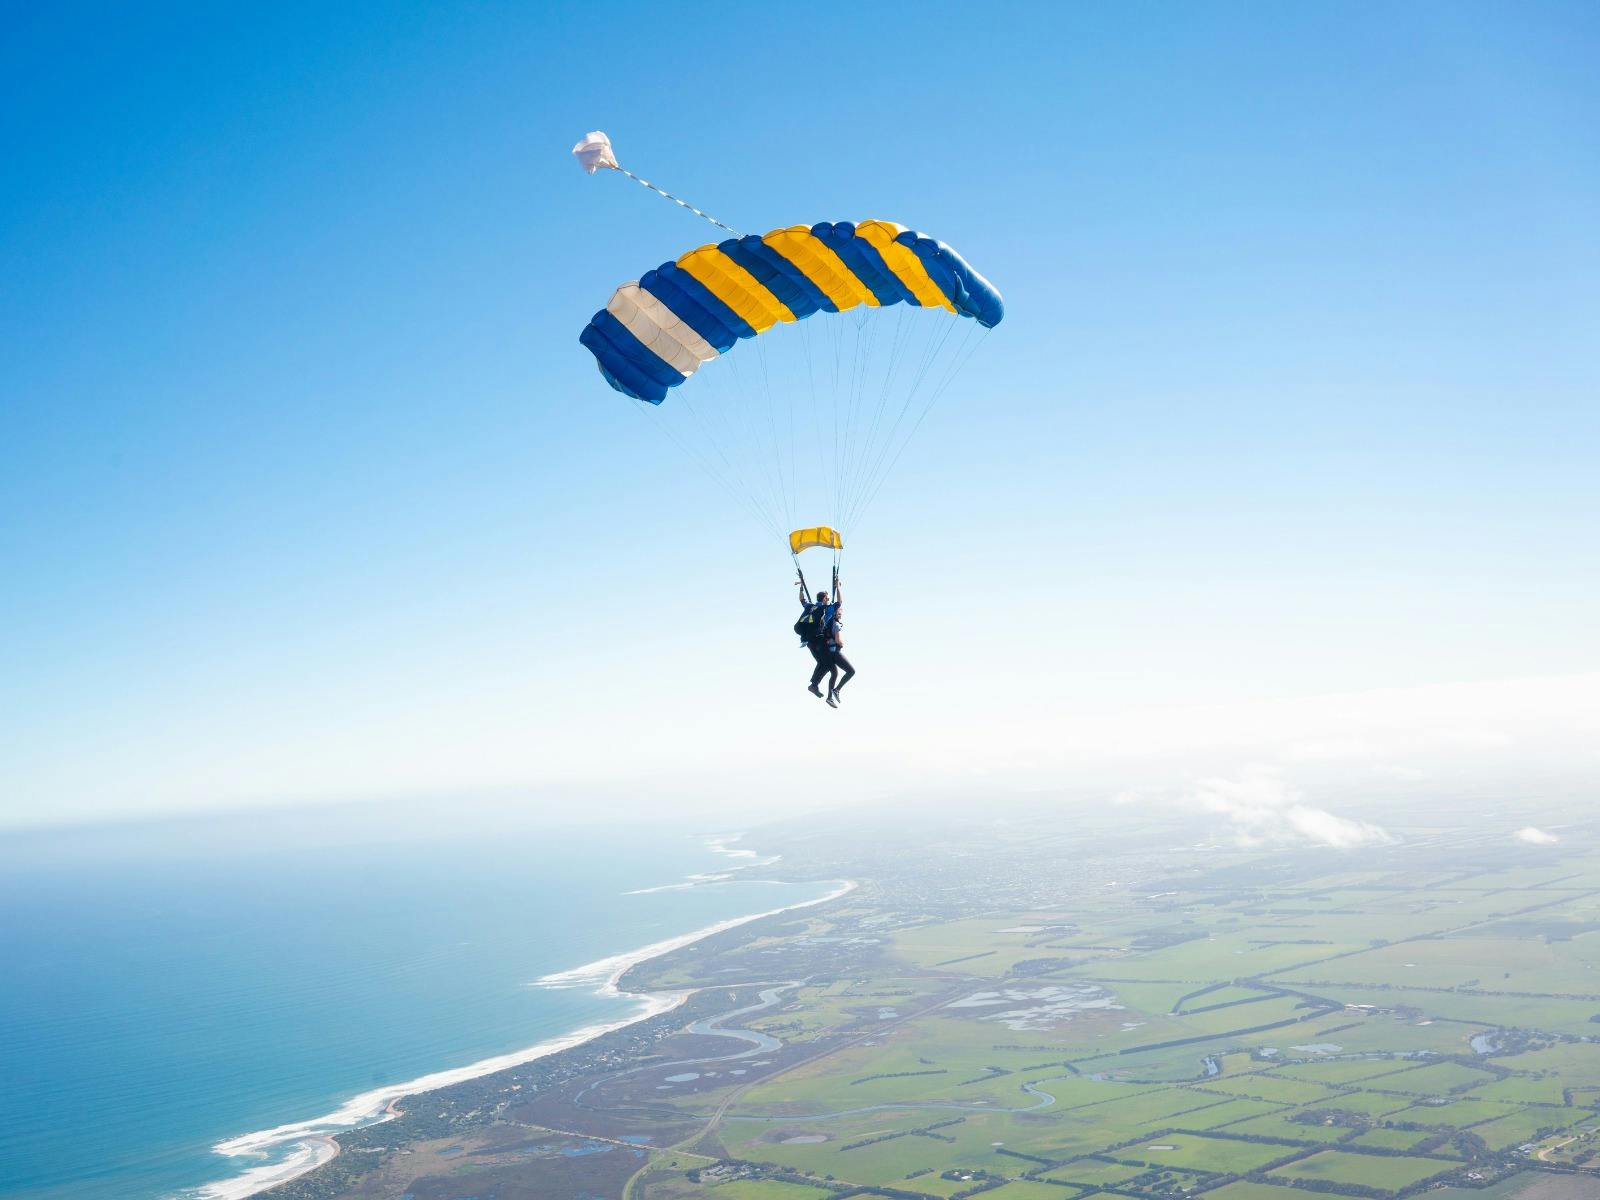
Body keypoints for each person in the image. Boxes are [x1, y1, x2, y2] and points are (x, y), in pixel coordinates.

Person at [796, 582, 854, 707]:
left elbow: (802, 600)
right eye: (827, 598)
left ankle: (814, 685)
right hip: (820, 641)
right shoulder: (827, 609)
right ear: (824, 599)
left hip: (809, 642)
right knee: (830, 668)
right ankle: (815, 686)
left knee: (822, 663)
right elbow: (840, 601)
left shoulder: (810, 606)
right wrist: (838, 587)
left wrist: (801, 587)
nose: (829, 600)